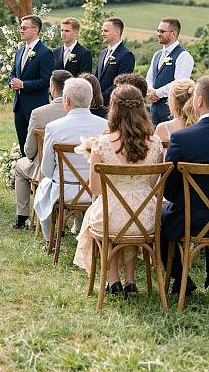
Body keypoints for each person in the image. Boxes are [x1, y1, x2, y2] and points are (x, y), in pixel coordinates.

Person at [74, 85, 164, 296]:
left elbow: (95, 189)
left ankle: (113, 280)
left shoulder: (102, 143)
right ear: (142, 108)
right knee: (129, 212)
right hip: (147, 219)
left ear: (113, 108)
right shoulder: (156, 142)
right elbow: (152, 185)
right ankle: (130, 281)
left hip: (112, 218)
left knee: (105, 213)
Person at [34, 78, 108, 246]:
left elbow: (46, 169)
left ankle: (50, 240)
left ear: (66, 100)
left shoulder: (54, 127)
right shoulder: (105, 125)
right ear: (90, 99)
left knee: (44, 185)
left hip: (64, 192)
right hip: (97, 192)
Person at [161, 75, 209, 295]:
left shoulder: (181, 138)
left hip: (192, 219)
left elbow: (168, 191)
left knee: (159, 216)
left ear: (199, 101)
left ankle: (181, 278)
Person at [12, 69, 72, 229]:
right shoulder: (79, 114)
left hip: (45, 172)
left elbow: (30, 151)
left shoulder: (39, 113)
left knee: (19, 166)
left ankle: (22, 217)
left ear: (52, 88)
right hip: (75, 174)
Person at [10, 14, 55, 154]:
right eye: (20, 28)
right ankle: (25, 174)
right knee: (23, 144)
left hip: (36, 107)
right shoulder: (19, 51)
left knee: (37, 146)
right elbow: (12, 73)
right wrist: (12, 82)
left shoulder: (45, 52)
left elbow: (46, 80)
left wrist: (23, 85)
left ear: (35, 30)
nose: (21, 31)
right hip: (19, 107)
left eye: (24, 28)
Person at [146, 18, 194, 126]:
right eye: (158, 30)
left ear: (173, 33)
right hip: (153, 110)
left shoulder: (184, 56)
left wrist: (157, 93)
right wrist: (150, 91)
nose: (158, 34)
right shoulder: (157, 55)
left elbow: (179, 84)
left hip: (172, 111)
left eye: (162, 31)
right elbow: (149, 78)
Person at [95, 18, 135, 105]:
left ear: (117, 32)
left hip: (114, 104)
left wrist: (101, 97)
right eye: (102, 31)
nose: (102, 34)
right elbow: (96, 78)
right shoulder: (102, 53)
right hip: (97, 105)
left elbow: (121, 83)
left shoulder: (127, 55)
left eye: (106, 31)